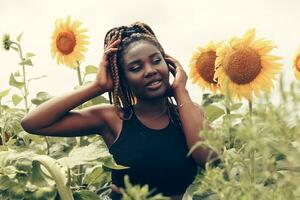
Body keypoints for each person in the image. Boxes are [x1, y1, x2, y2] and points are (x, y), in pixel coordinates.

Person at [21, 22, 216, 200]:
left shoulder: (189, 114)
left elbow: (210, 160)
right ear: (122, 78)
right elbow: (33, 122)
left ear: (170, 65)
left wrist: (181, 91)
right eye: (135, 67)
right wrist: (97, 86)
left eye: (156, 60)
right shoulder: (114, 118)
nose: (149, 70)